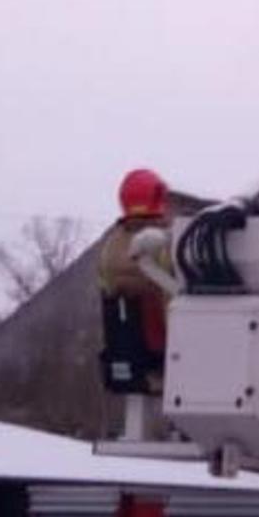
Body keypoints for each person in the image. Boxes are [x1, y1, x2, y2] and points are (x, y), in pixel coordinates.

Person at [97, 168, 180, 396]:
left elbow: (110, 289)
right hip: (165, 352)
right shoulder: (161, 242)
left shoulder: (111, 246)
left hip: (126, 351)